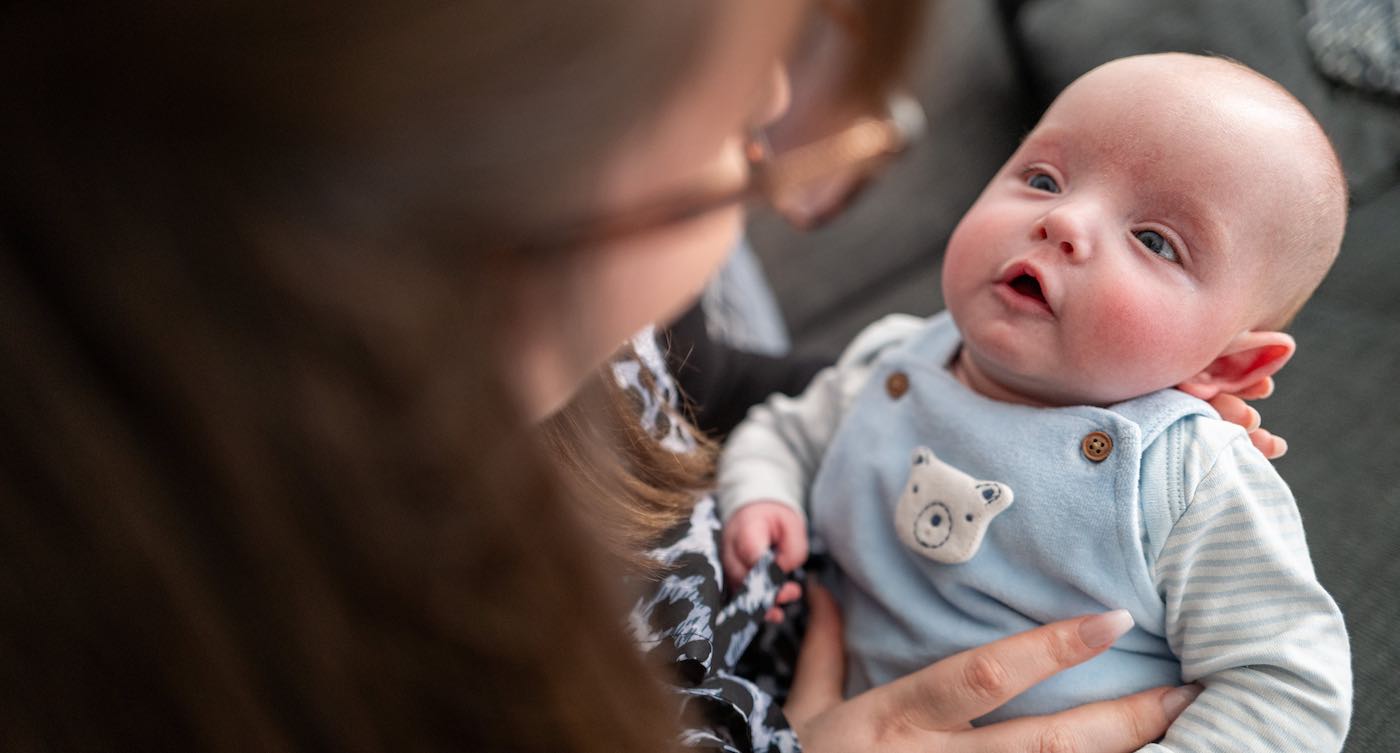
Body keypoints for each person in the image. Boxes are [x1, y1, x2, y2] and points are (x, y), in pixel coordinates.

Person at [0, 2, 1282, 751]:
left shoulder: (607, 335)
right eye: (743, 133)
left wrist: (1009, 397)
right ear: (487, 245)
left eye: (1156, 242)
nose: (781, 101)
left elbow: (730, 381)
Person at [719, 53, 1352, 752]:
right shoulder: (893, 357)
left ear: (1225, 363)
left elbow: (1291, 686)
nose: (1064, 219)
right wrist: (764, 495)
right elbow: (785, 431)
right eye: (1043, 178)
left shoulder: (1188, 479)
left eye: (1153, 240)